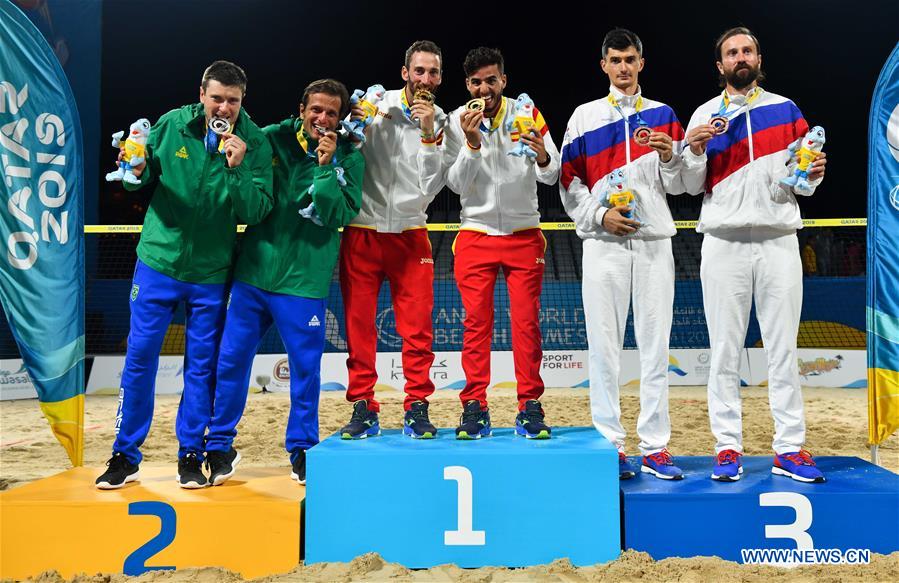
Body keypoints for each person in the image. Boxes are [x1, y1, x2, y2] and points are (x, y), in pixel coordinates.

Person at [96, 61, 274, 489]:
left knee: (201, 366)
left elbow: (255, 211)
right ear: (202, 95)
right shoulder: (172, 125)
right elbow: (139, 180)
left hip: (211, 273)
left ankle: (190, 454)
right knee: (139, 359)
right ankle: (125, 454)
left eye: (232, 100)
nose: (224, 107)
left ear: (242, 100)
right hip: (158, 262)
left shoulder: (255, 143)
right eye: (217, 98)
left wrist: (236, 168)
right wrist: (135, 171)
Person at [681, 27, 827, 483]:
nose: (739, 57)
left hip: (778, 240)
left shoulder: (786, 110)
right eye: (731, 52)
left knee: (783, 350)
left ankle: (789, 447)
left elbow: (804, 175)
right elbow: (686, 185)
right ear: (719, 65)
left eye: (746, 50)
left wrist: (816, 172)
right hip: (723, 243)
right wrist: (695, 151)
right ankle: (727, 447)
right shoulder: (704, 115)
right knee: (724, 352)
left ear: (758, 57)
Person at [204, 79, 363, 486]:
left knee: (305, 372)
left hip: (303, 285)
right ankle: (220, 445)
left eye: (331, 112)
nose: (322, 119)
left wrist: (327, 168)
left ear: (340, 117)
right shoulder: (273, 138)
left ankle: (302, 449)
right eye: (316, 110)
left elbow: (338, 216)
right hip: (252, 276)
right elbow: (236, 124)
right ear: (301, 109)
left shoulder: (349, 156)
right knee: (230, 363)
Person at [559, 29, 686, 480]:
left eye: (631, 59)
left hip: (654, 243)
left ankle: (655, 447)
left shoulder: (664, 114)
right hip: (604, 245)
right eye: (615, 60)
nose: (624, 67)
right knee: (604, 350)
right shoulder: (584, 116)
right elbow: (568, 183)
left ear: (642, 63)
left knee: (656, 349)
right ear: (604, 65)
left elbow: (683, 185)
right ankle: (609, 444)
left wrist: (673, 158)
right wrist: (599, 217)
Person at [438, 47, 560, 439]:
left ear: (504, 81)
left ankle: (530, 406)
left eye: (492, 80)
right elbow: (455, 184)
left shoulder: (527, 114)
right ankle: (474, 405)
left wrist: (542, 154)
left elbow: (552, 173)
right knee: (476, 326)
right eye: (476, 82)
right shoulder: (459, 120)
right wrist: (472, 144)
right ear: (467, 85)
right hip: (475, 233)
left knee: (526, 326)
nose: (484, 88)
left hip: (524, 234)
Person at [338, 40, 447, 440]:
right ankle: (363, 406)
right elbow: (345, 154)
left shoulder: (444, 122)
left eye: (433, 72)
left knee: (418, 330)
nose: (425, 79)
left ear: (439, 78)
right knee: (359, 327)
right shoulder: (373, 106)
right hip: (362, 231)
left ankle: (417, 405)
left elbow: (432, 185)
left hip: (410, 234)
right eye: (419, 71)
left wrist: (429, 133)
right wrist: (354, 124)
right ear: (405, 73)